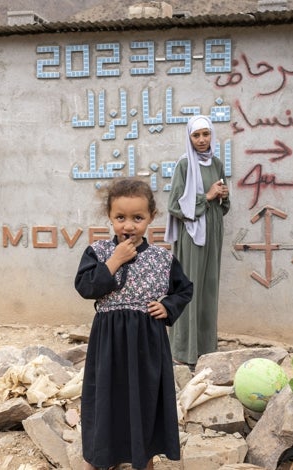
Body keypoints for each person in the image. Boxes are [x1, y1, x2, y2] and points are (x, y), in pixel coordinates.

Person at [75, 178, 193, 470]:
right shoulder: (99, 253)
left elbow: (184, 289)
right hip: (108, 345)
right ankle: (103, 458)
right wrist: (114, 261)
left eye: (137, 218)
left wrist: (167, 306)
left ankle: (145, 457)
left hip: (146, 345)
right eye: (121, 218)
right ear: (110, 217)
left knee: (145, 399)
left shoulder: (162, 259)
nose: (128, 226)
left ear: (151, 217)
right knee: (107, 398)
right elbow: (85, 287)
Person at [164, 115, 230, 367]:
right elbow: (174, 206)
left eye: (206, 134)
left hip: (213, 231)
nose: (202, 140)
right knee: (189, 289)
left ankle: (205, 348)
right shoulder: (184, 165)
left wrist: (223, 195)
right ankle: (182, 351)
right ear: (189, 138)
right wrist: (208, 196)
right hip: (192, 235)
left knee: (209, 289)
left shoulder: (217, 163)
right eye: (196, 135)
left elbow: (223, 206)